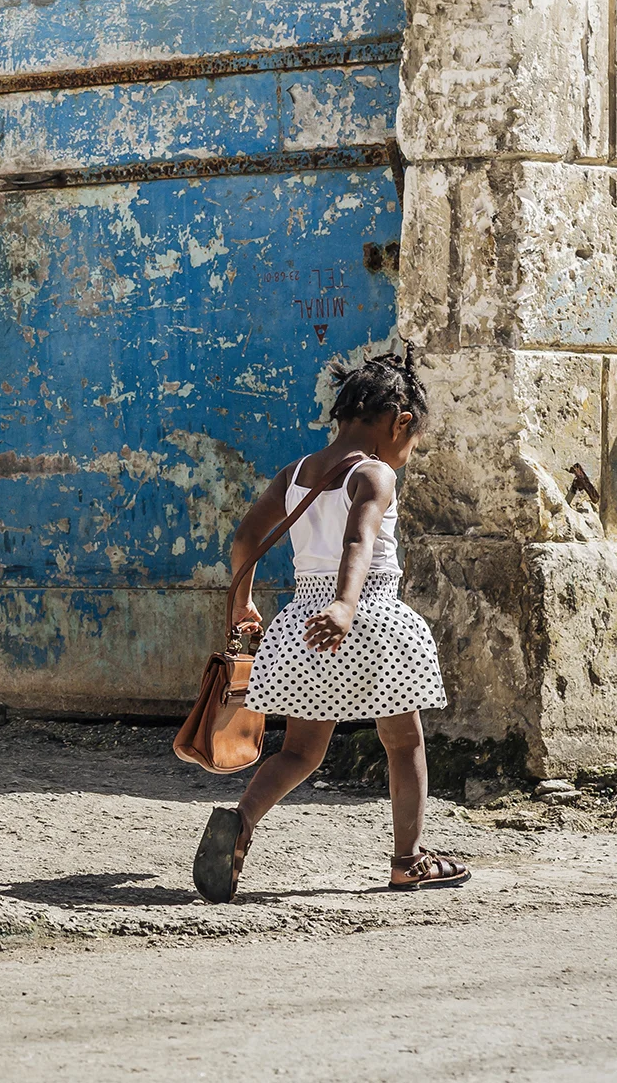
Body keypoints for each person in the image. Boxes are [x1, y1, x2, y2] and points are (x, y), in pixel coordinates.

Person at [193, 348, 467, 902]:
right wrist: (346, 605)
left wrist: (241, 605)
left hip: (301, 623)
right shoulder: (375, 473)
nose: (407, 453)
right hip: (370, 617)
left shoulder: (295, 473)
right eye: (411, 442)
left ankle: (241, 822)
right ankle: (407, 861)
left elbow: (245, 539)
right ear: (401, 422)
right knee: (404, 742)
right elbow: (359, 539)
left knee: (300, 751)